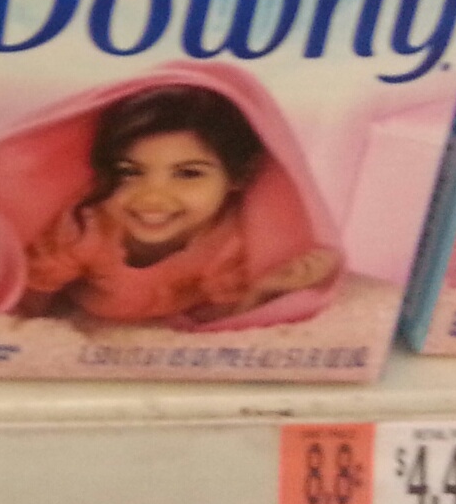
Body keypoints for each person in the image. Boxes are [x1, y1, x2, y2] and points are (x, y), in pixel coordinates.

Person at [20, 84, 336, 325]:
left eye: (188, 174)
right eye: (129, 172)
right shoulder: (84, 225)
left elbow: (221, 324)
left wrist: (265, 290)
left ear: (237, 177)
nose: (152, 197)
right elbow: (26, 305)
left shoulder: (230, 242)